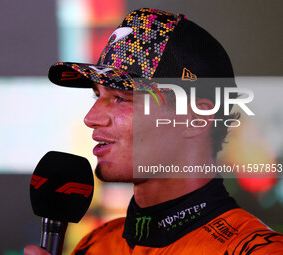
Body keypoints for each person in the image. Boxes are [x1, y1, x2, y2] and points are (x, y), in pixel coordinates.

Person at [25, 8, 283, 254]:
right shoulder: (94, 246)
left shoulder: (258, 250)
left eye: (122, 98)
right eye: (97, 96)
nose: (91, 118)